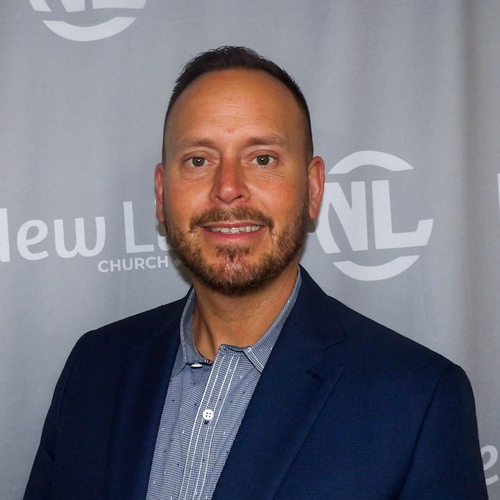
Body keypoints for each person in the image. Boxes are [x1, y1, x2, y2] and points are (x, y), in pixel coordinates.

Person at [24, 46, 488, 500]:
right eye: (198, 160)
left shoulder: (418, 402)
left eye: (262, 158)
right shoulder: (94, 369)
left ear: (313, 188)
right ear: (162, 193)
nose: (228, 188)